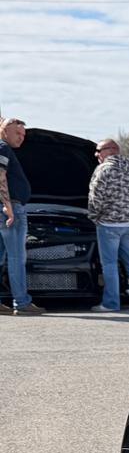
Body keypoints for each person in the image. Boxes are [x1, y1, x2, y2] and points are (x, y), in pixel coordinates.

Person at [87, 138, 129, 311]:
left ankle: (111, 304)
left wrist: (94, 217)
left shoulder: (103, 170)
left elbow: (95, 197)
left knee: (110, 265)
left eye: (99, 150)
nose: (96, 154)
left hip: (108, 225)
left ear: (110, 150)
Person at [0, 117, 45, 315]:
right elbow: (0, 176)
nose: (22, 138)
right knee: (17, 258)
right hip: (12, 210)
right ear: (5, 131)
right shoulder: (2, 148)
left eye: (24, 135)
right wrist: (8, 205)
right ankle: (22, 302)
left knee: (1, 258)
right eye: (18, 133)